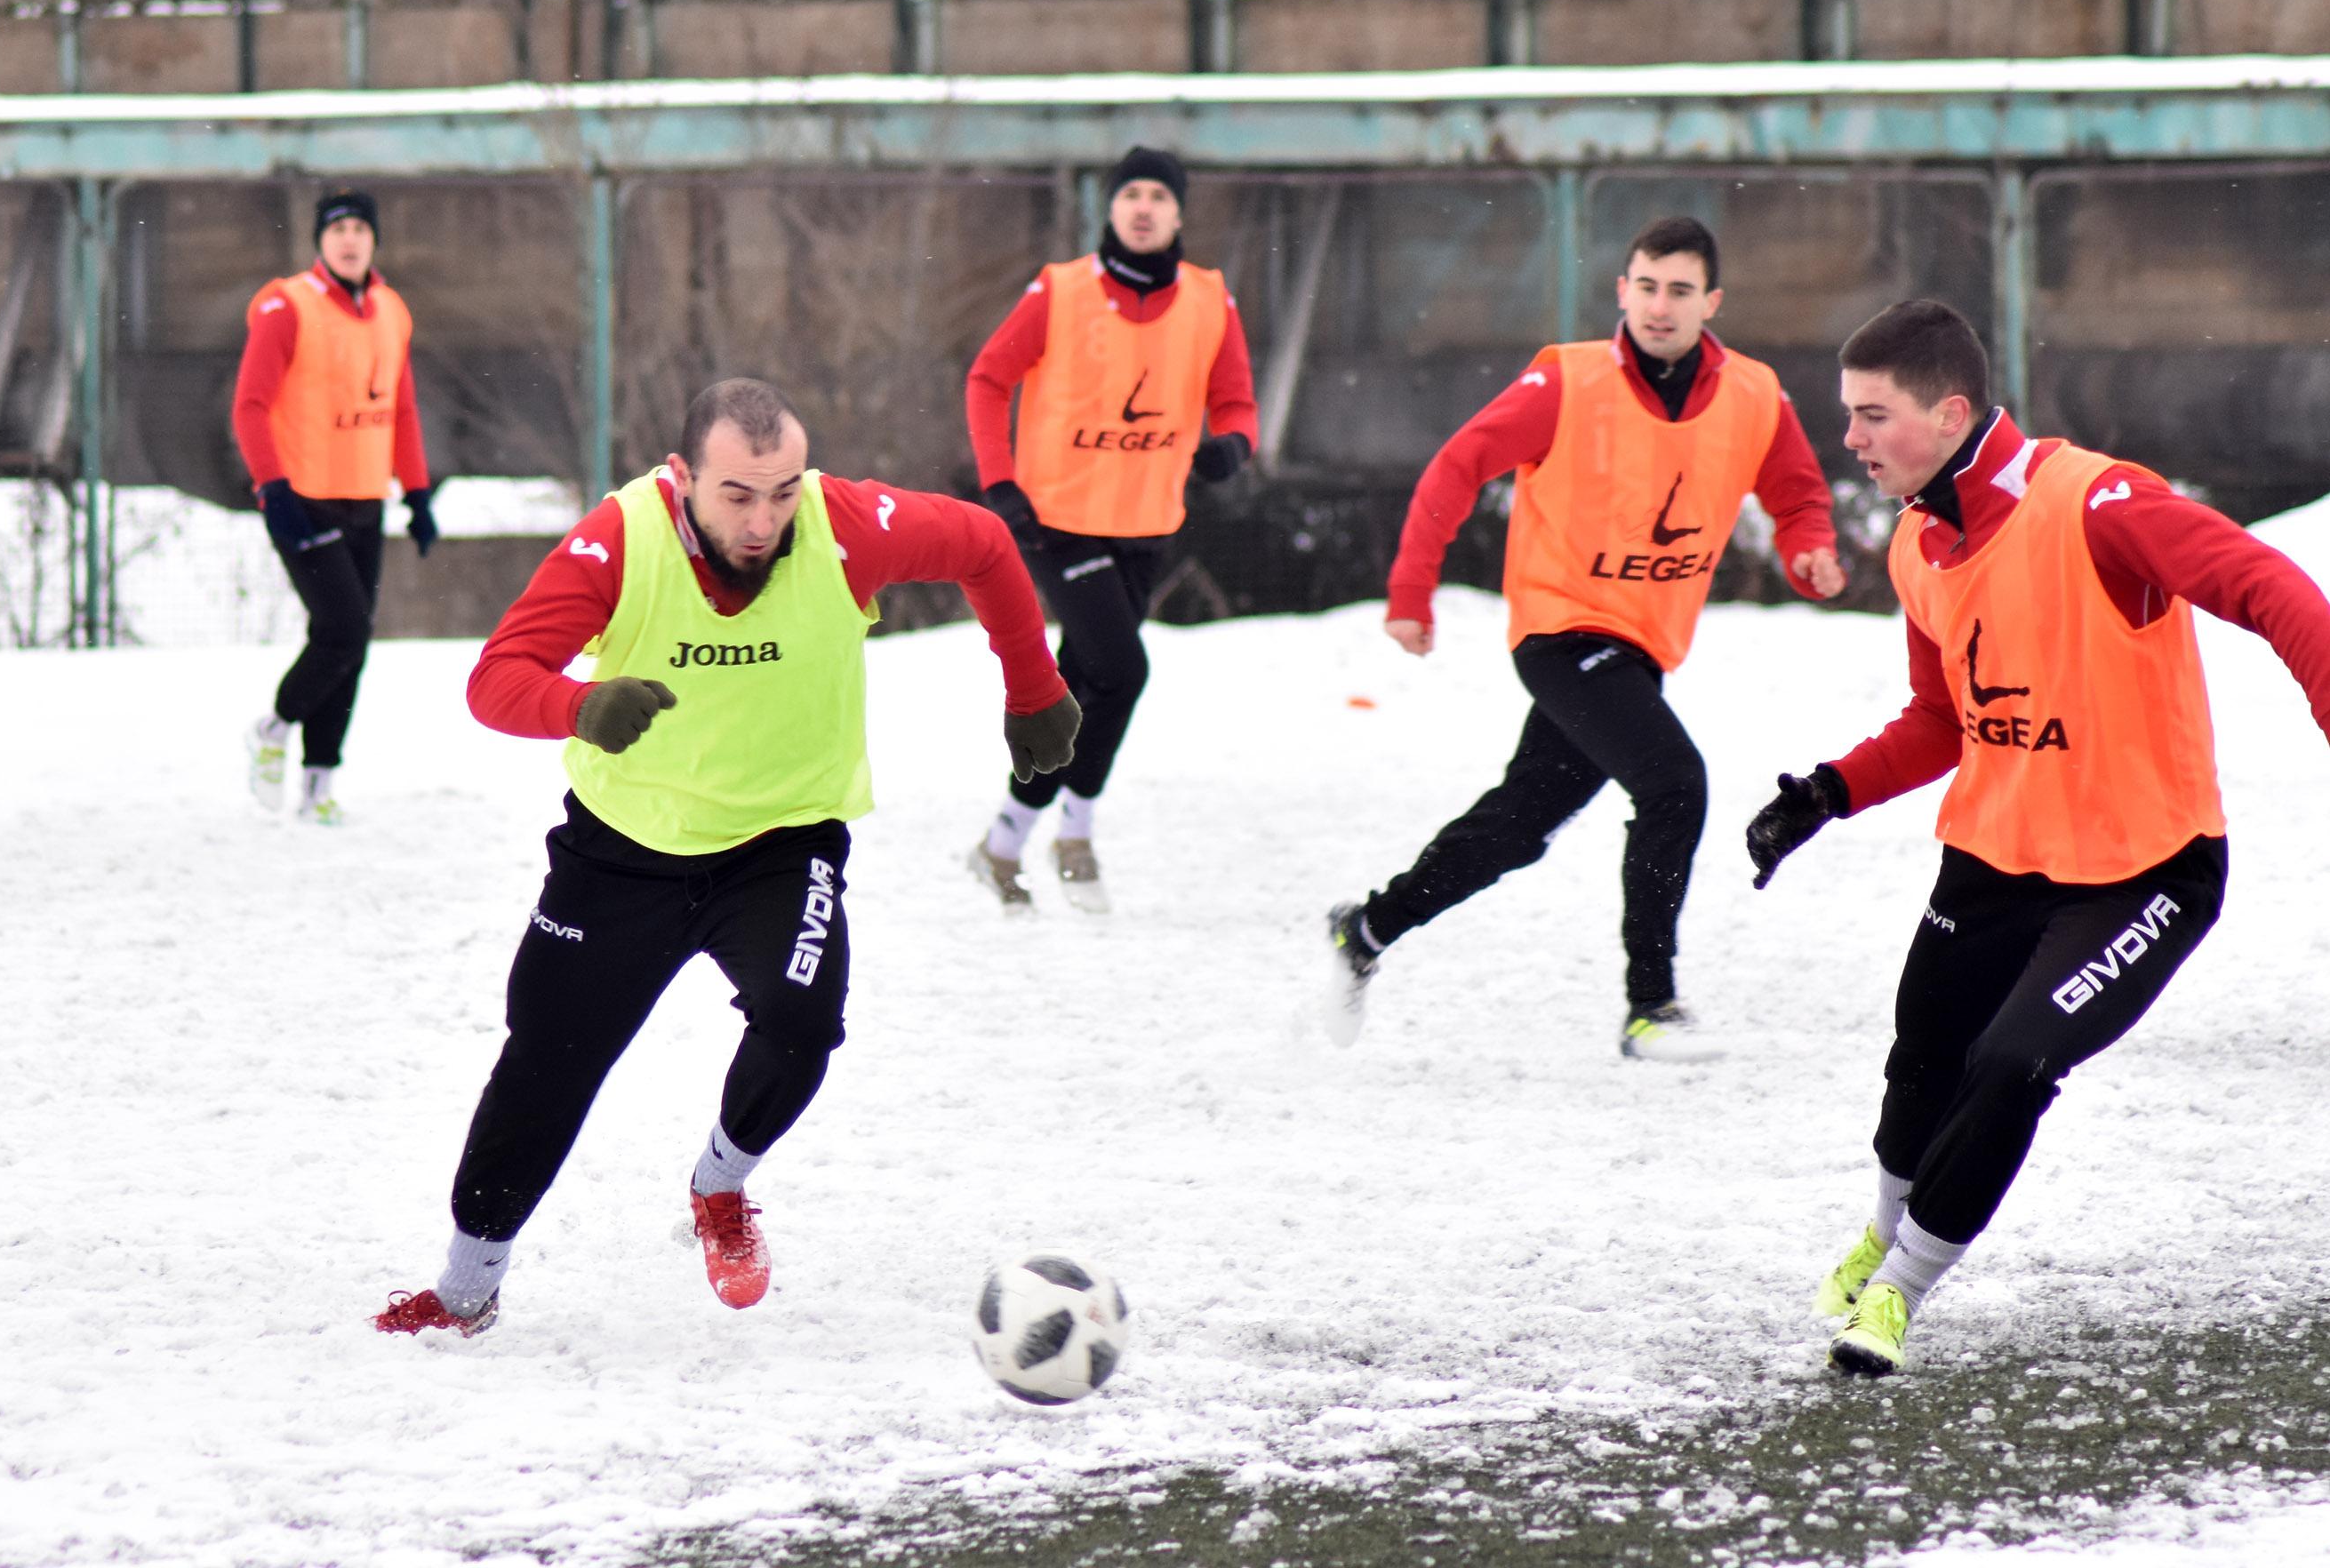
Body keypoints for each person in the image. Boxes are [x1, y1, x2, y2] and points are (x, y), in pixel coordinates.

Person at [373, 378, 1079, 1337]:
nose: (764, 520)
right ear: (682, 480)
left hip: (781, 843)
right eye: (738, 494)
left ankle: (720, 1187)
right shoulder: (621, 538)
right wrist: (579, 705)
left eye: (784, 490)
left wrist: (1032, 688)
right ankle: (463, 1290)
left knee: (802, 1020)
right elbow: (495, 680)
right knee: (546, 1063)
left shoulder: (846, 527)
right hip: (621, 855)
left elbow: (987, 546)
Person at [1744, 300, 2330, 1376]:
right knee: (1923, 1042)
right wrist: (1827, 792)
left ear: (1950, 410)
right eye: (1849, 416)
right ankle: (1881, 1230)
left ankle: (1900, 1293)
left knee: (2013, 1061)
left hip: (2142, 870)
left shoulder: (2099, 502)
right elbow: (1942, 719)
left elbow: (2265, 582)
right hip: (1999, 849)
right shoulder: (1923, 540)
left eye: (1872, 415)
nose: (1853, 440)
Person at [1325, 216, 1846, 1060]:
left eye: (1680, 290)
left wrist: (1807, 554)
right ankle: (1652, 1007)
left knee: (1517, 826)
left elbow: (1796, 496)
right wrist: (1410, 589)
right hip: (1561, 631)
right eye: (1646, 286)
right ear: (1622, 291)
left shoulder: (1754, 393)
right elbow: (1457, 465)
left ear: (1712, 301)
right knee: (1675, 783)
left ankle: (1368, 929)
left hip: (1639, 648)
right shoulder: (1565, 381)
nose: (1660, 306)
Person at [960, 145, 1260, 913]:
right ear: (1111, 208)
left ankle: (1002, 842)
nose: (1144, 206)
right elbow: (989, 379)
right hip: (1058, 522)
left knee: (1083, 682)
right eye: (1131, 193)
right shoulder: (1060, 291)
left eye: (1160, 193)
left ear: (1180, 212)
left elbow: (1236, 404)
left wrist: (1233, 447)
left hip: (1146, 524)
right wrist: (1000, 482)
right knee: (1123, 671)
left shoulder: (1209, 300)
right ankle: (1076, 831)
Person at [234, 187, 438, 827]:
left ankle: (319, 782)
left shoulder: (391, 310)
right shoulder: (285, 306)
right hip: (303, 501)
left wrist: (418, 491)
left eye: (359, 228)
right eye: (337, 228)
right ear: (320, 240)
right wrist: (273, 489)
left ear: (374, 239)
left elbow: (400, 407)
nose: (349, 238)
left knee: (349, 643)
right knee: (345, 630)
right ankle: (273, 726)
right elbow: (249, 407)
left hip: (364, 499)